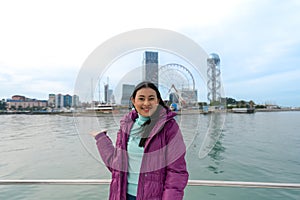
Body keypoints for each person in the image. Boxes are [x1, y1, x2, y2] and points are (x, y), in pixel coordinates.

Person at [90, 81, 189, 200]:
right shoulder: (126, 126)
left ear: (157, 101)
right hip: (122, 195)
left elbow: (176, 172)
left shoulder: (169, 127)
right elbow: (116, 165)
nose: (146, 103)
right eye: (141, 98)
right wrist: (101, 139)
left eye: (151, 98)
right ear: (133, 101)